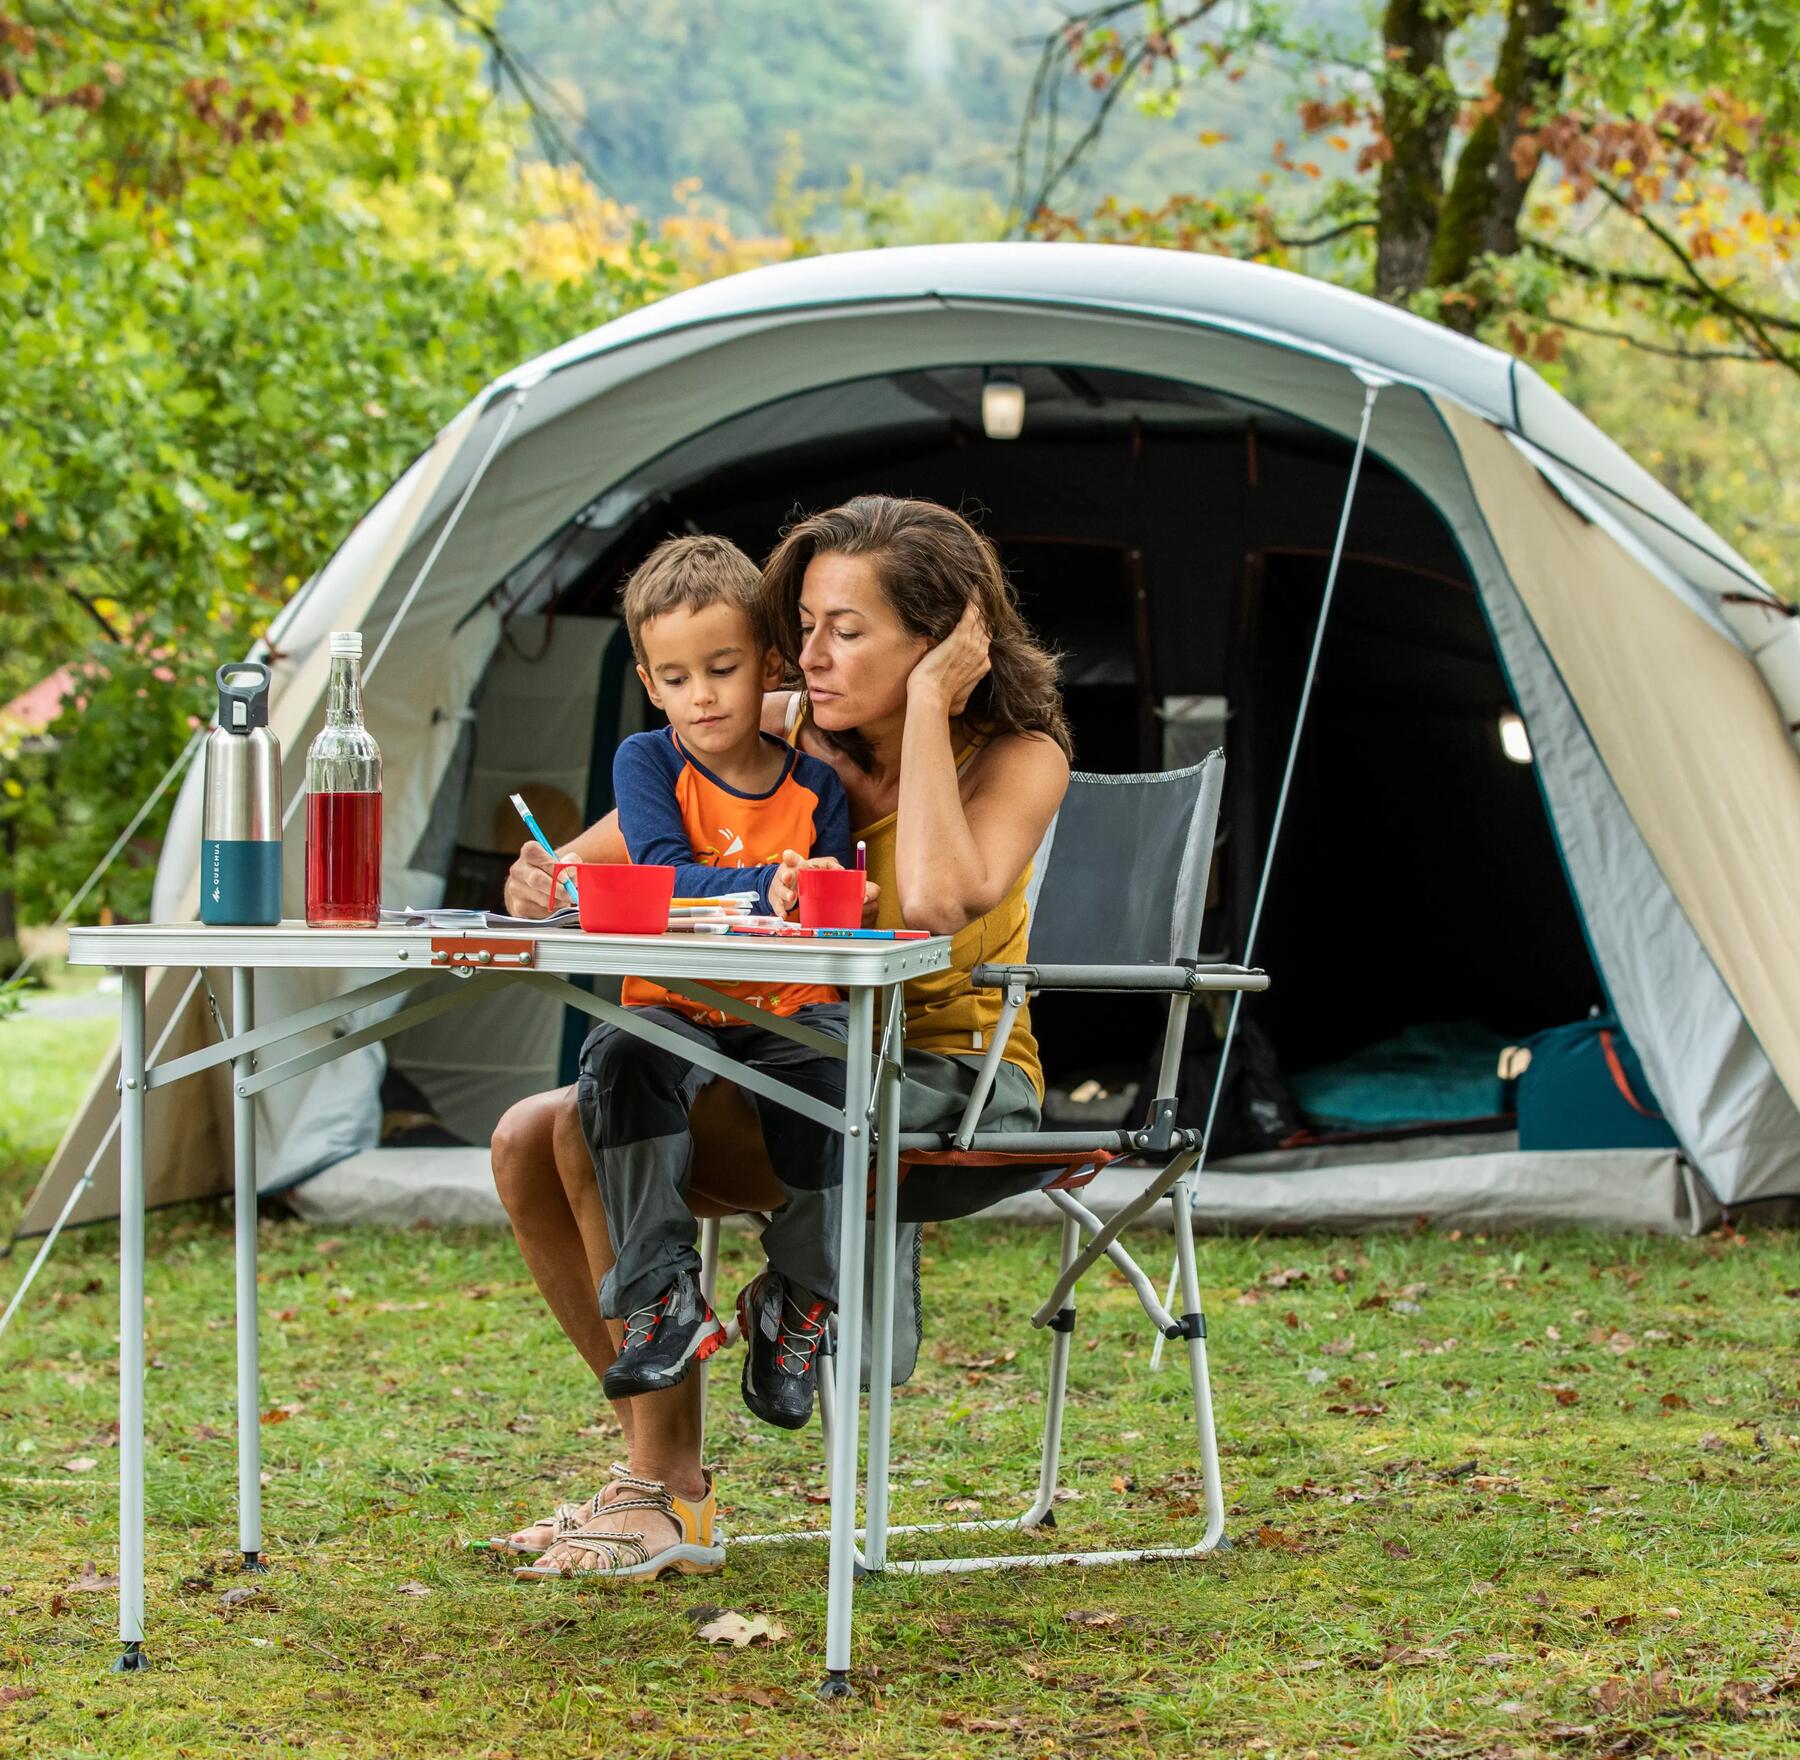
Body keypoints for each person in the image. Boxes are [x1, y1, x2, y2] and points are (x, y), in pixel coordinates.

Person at [491, 496, 1071, 1583]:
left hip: (950, 1078)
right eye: (801, 624)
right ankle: (656, 1477)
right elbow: (593, 864)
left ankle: (667, 1491)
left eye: (844, 630)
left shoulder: (1019, 755)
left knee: (570, 1133)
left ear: (945, 636)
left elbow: (944, 896)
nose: (806, 655)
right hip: (780, 1051)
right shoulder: (788, 734)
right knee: (529, 1133)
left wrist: (936, 711)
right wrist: (541, 880)